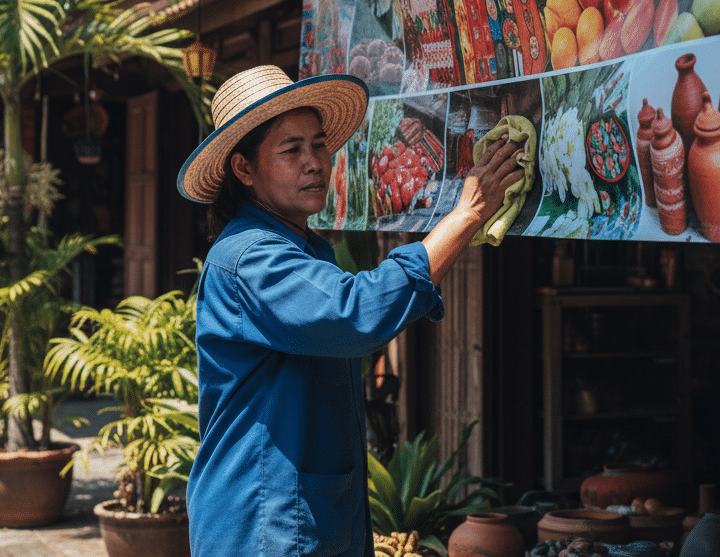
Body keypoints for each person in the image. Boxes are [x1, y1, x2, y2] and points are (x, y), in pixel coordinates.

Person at [178, 65, 524, 557]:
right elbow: (354, 313)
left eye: (318, 145)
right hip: (262, 523)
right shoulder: (251, 257)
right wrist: (466, 214)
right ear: (243, 169)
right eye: (291, 149)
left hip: (302, 517)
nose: (315, 162)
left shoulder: (298, 247)